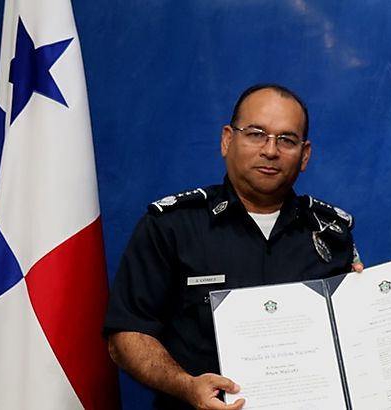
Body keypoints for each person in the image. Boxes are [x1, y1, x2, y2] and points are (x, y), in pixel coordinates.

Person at [104, 84, 362, 410]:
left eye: (286, 139)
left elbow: (353, 346)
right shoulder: (171, 227)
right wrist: (186, 386)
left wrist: (365, 308)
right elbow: (126, 336)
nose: (271, 150)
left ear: (305, 155)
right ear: (228, 139)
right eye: (256, 134)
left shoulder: (330, 233)